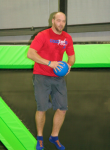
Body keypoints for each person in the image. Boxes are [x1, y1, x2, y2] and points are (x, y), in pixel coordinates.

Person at [27, 12, 75, 150]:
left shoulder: (67, 38)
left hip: (58, 77)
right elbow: (30, 53)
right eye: (58, 20)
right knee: (42, 108)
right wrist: (50, 63)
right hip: (41, 75)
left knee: (62, 108)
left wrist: (69, 65)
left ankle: (54, 136)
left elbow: (71, 56)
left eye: (63, 21)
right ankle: (40, 137)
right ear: (53, 21)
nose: (61, 24)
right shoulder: (43, 35)